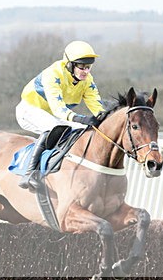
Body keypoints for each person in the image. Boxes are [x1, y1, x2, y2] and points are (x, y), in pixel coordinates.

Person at [15, 40, 106, 191]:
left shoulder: (87, 81)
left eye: (88, 67)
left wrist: (104, 118)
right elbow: (59, 110)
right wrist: (82, 118)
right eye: (81, 67)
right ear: (69, 65)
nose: (85, 71)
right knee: (55, 127)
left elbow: (97, 107)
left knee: (84, 130)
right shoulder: (53, 74)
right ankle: (30, 174)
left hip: (53, 114)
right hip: (29, 110)